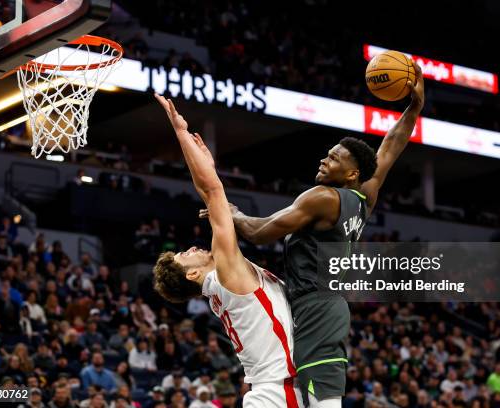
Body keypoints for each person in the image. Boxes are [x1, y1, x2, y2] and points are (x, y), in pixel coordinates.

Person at [203, 63, 425, 406]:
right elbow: (390, 147)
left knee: (322, 400)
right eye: (328, 154)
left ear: (350, 173)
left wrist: (231, 213)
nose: (324, 160)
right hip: (323, 303)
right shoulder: (365, 194)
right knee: (310, 395)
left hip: (316, 305)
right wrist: (414, 108)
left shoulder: (323, 198)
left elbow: (260, 233)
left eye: (334, 159)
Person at [152, 95, 303, 408]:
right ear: (192, 273)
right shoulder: (226, 274)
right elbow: (212, 191)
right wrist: (181, 133)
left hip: (275, 390)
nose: (190, 247)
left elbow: (212, 192)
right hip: (279, 392)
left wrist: (206, 166)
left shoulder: (226, 280)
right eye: (184, 255)